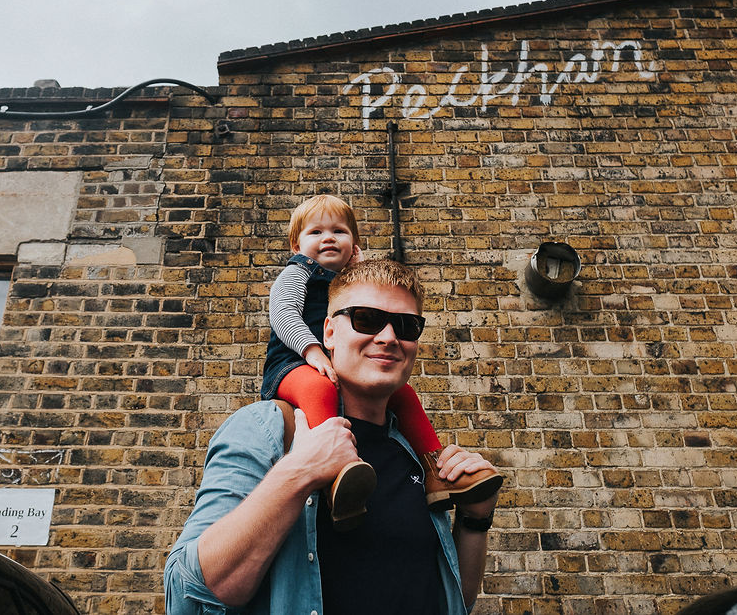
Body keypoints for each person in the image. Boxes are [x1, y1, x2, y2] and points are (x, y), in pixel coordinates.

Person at [165, 258, 502, 615]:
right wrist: (298, 473)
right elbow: (186, 593)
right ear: (328, 332)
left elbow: (452, 602)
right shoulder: (267, 430)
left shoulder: (412, 452)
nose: (388, 337)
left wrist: (474, 520)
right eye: (366, 319)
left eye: (406, 326)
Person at [262, 195, 501, 529]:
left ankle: (436, 473)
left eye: (340, 231)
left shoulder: (346, 280)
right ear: (296, 244)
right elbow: (283, 315)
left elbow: (370, 292)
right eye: (316, 232)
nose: (328, 237)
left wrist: (358, 266)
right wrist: (311, 351)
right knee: (319, 389)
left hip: (329, 363)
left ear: (354, 244)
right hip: (292, 363)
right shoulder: (296, 273)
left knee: (405, 395)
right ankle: (336, 474)